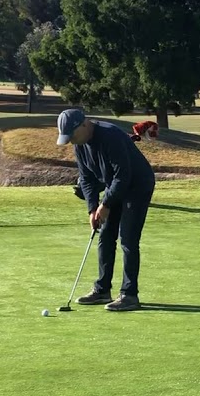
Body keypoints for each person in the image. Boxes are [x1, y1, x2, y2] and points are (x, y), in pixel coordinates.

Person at [56, 107, 155, 312]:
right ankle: (102, 290)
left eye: (72, 135)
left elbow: (123, 176)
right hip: (114, 185)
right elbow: (86, 178)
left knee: (128, 238)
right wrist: (93, 208)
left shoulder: (111, 136)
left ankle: (129, 295)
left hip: (137, 185)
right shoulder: (80, 144)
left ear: (84, 124)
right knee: (105, 235)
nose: (71, 141)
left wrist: (106, 204)